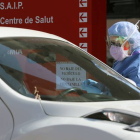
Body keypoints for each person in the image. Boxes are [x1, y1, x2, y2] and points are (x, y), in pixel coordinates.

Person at [82, 21, 140, 94]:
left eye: (118, 42)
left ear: (131, 42)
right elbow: (115, 84)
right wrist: (101, 87)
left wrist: (104, 94)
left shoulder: (138, 64)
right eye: (112, 42)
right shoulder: (122, 60)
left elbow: (135, 96)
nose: (114, 46)